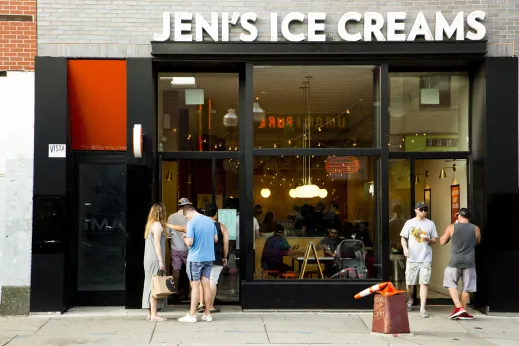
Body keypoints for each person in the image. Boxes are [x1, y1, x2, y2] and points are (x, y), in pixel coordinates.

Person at [178, 204, 218, 323]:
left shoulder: (192, 223)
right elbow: (215, 239)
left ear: (188, 213)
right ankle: (207, 314)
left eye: (186, 217)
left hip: (195, 258)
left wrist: (185, 238)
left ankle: (192, 315)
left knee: (195, 286)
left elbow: (190, 242)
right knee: (206, 284)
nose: (187, 219)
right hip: (209, 257)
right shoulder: (210, 221)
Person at [440, 208, 481, 320]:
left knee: (450, 282)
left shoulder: (452, 227)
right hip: (470, 262)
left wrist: (453, 227)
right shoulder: (475, 228)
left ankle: (459, 308)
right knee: (467, 287)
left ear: (459, 216)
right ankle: (461, 311)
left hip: (455, 261)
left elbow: (442, 241)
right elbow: (477, 241)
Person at [400, 201, 438, 318]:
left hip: (426, 257)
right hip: (412, 258)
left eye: (425, 210)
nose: (423, 212)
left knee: (424, 283)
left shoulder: (430, 224)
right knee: (410, 283)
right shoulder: (409, 223)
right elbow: (403, 237)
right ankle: (410, 299)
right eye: (421, 209)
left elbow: (435, 239)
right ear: (416, 210)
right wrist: (405, 249)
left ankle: (422, 308)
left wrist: (429, 240)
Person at [198, 203, 229, 314]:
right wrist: (225, 257)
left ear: (205, 213)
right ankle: (210, 306)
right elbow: (226, 244)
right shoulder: (221, 227)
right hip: (216, 256)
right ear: (216, 214)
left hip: (201, 256)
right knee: (212, 281)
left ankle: (201, 304)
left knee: (202, 280)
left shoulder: (200, 225)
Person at [142, 203, 168, 322]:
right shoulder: (157, 225)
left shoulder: (150, 224)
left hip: (149, 258)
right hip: (155, 258)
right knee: (155, 286)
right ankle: (154, 314)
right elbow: (157, 244)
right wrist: (161, 261)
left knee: (149, 284)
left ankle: (150, 313)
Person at [166, 197, 192, 301]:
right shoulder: (188, 216)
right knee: (190, 271)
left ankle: (174, 291)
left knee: (175, 270)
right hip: (188, 248)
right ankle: (191, 294)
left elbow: (167, 233)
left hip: (175, 248)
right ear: (186, 206)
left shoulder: (171, 217)